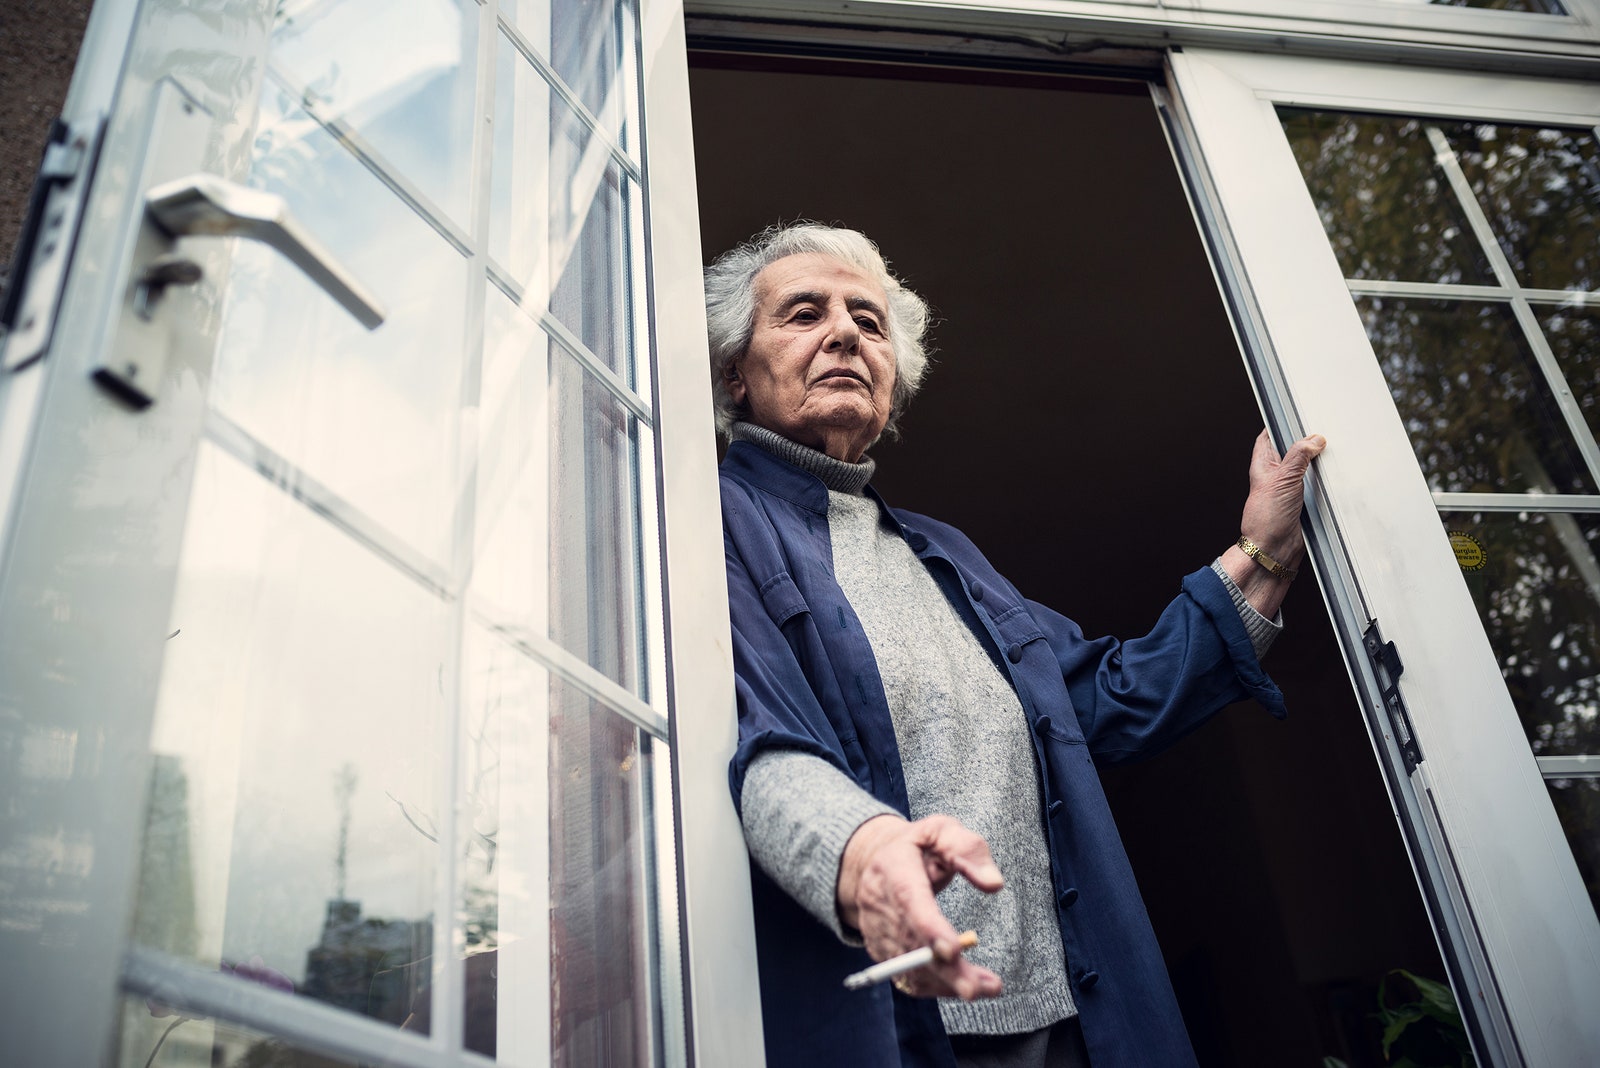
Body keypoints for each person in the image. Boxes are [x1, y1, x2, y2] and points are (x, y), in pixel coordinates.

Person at [711, 222, 1325, 1068]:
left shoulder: (941, 550)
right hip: (903, 1028)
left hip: (1066, 1020)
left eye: (869, 320)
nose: (846, 332)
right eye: (805, 314)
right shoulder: (711, 521)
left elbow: (1098, 702)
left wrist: (1264, 555)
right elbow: (758, 739)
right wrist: (863, 853)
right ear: (735, 373)